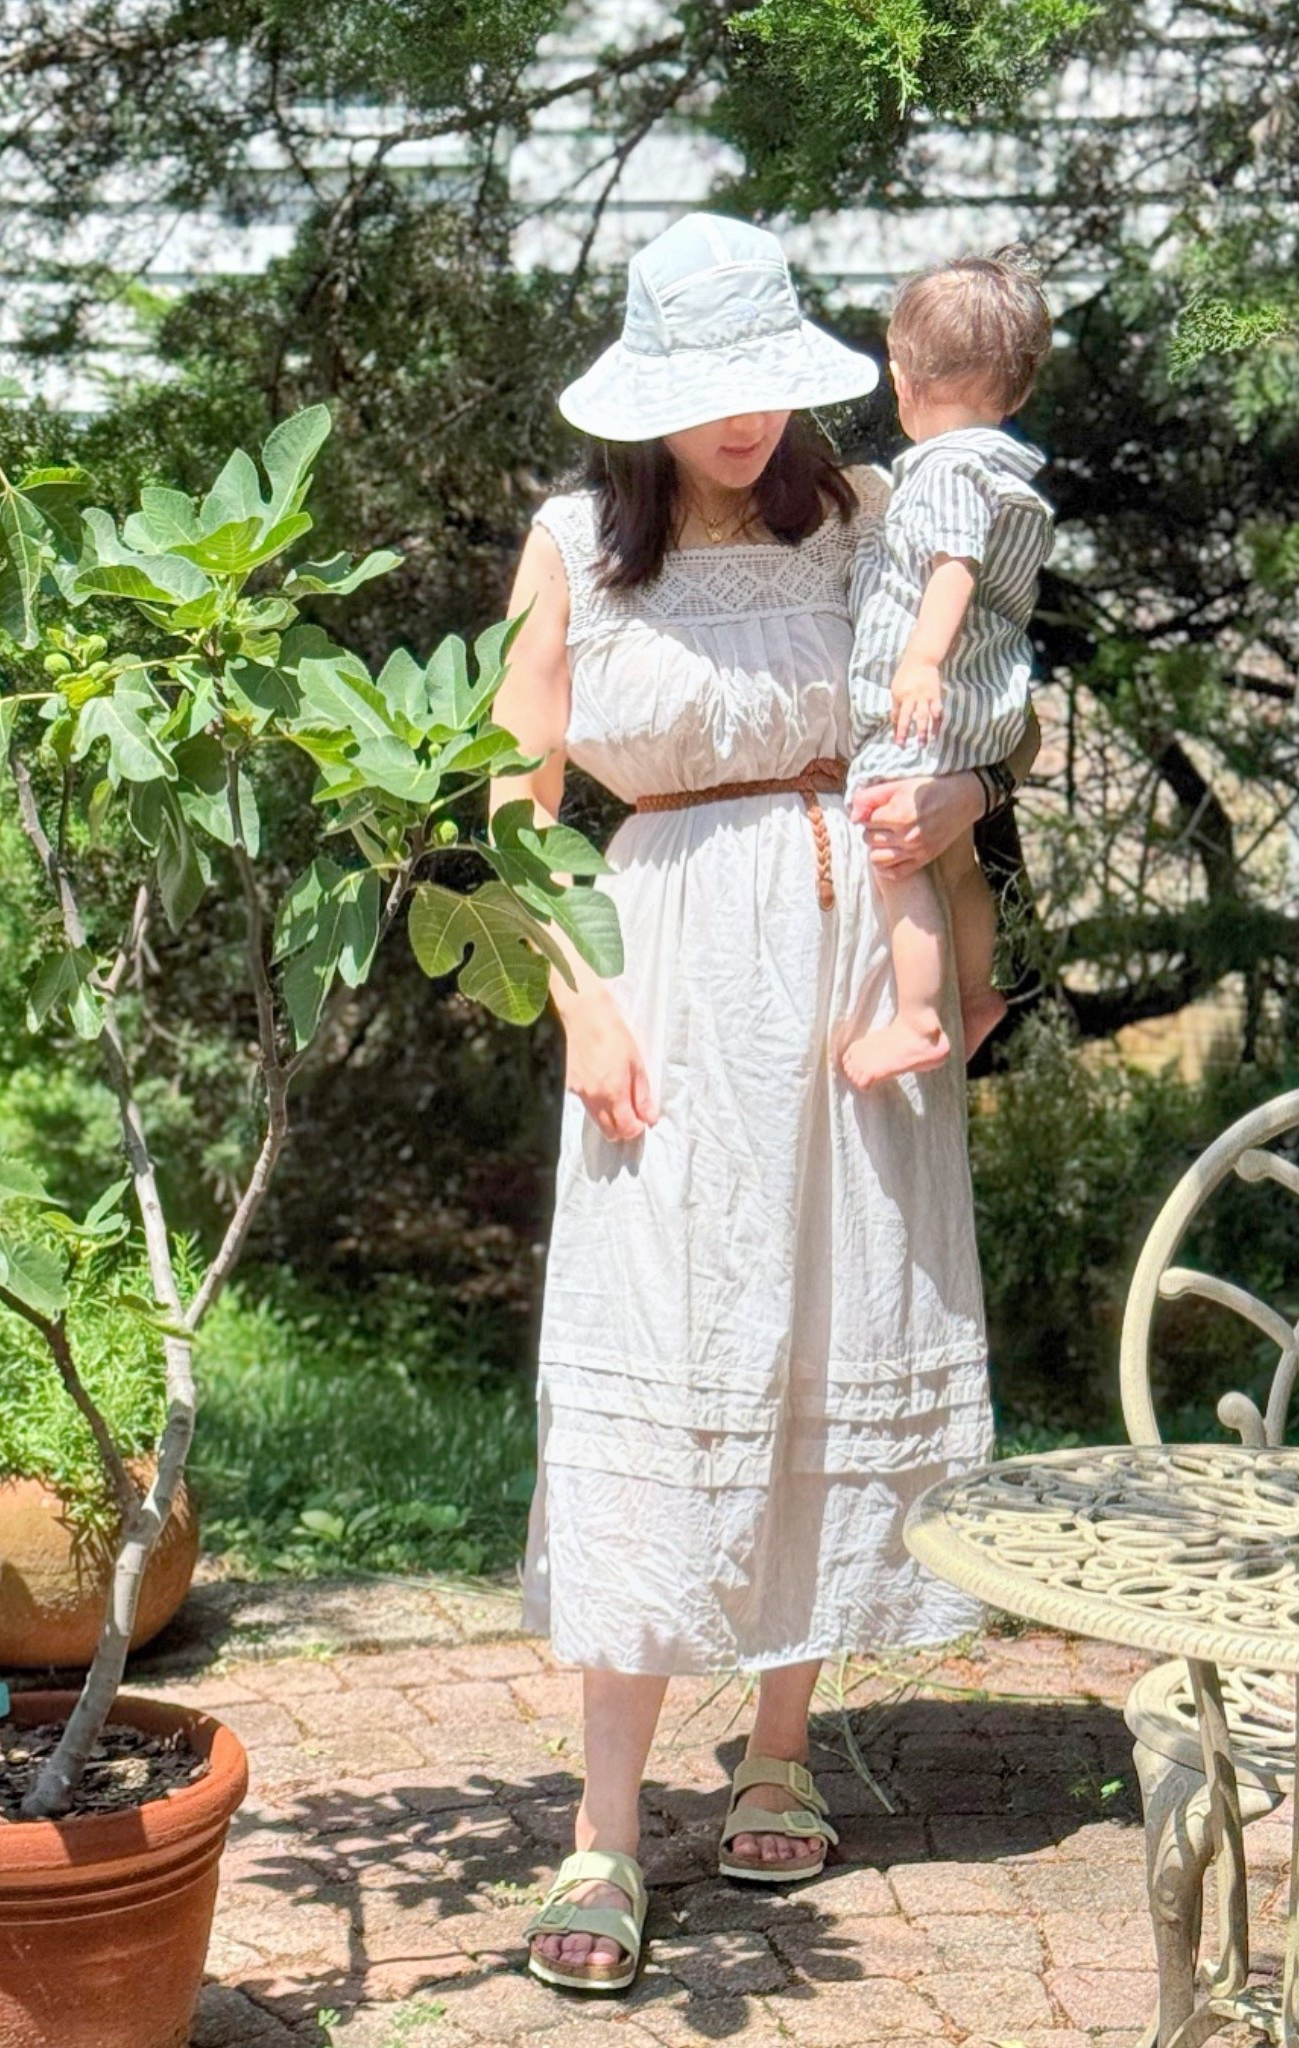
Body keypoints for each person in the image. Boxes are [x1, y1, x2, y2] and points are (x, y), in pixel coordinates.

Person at [492, 212, 1033, 1996]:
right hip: (657, 968)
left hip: (845, 962)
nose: (741, 427)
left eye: (760, 389)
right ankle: (602, 1816)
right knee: (660, 1348)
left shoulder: (872, 519)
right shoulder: (577, 544)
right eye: (703, 396)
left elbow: (959, 728)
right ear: (646, 401)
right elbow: (514, 802)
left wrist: (954, 828)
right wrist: (575, 1003)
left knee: (824, 1320)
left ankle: (785, 1738)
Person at [839, 251, 1054, 1091]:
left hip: (932, 699)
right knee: (955, 862)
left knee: (896, 857)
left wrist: (919, 662)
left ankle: (920, 1017)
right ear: (1021, 390)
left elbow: (951, 563)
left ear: (901, 377)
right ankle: (973, 993)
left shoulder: (941, 468)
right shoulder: (1012, 475)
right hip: (986, 700)